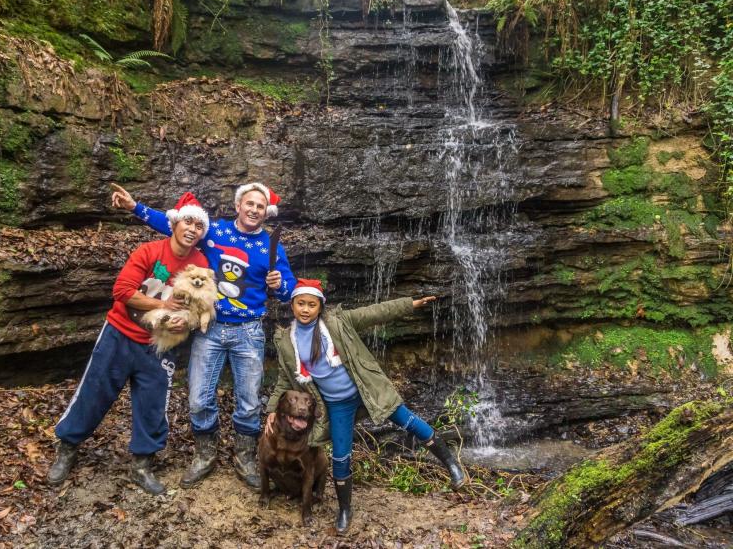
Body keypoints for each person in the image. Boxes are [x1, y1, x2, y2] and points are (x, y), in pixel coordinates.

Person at [111, 182, 297, 490]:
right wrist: (135, 208)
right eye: (248, 204)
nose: (253, 210)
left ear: (267, 213)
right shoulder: (215, 232)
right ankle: (204, 454)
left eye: (260, 207)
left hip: (249, 331)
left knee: (250, 401)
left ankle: (244, 456)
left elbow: (289, 290)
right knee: (199, 398)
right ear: (238, 206)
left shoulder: (272, 246)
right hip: (208, 327)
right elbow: (173, 223)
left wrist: (280, 285)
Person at [265, 279, 466, 532]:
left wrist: (410, 304)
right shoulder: (286, 341)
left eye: (311, 305)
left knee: (408, 421)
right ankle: (345, 510)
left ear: (320, 306)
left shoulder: (338, 322)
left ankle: (452, 465)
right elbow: (286, 378)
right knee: (340, 456)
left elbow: (375, 313)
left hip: (366, 389)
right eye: (301, 304)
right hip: (337, 405)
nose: (306, 309)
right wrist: (273, 409)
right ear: (292, 305)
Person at [47, 192, 210, 495]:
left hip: (160, 344)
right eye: (188, 221)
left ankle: (142, 464)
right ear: (174, 222)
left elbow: (199, 307)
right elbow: (122, 290)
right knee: (95, 390)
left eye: (200, 226)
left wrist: (184, 320)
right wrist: (163, 306)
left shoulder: (199, 261)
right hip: (120, 332)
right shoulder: (150, 251)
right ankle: (68, 447)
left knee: (153, 403)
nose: (193, 229)